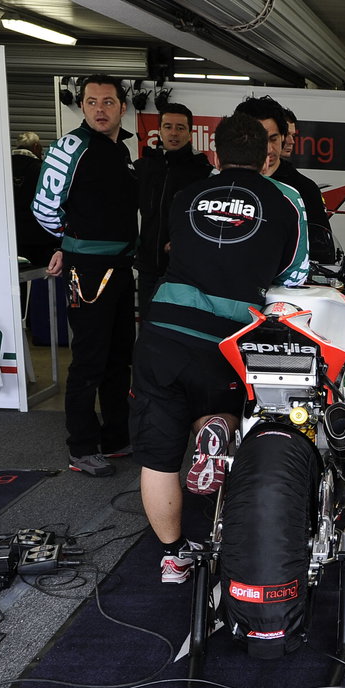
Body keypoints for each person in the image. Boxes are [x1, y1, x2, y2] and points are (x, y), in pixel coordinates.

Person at [131, 112, 310, 584]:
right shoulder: (287, 200)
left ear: (215, 151)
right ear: (266, 154)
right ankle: (217, 428)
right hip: (228, 337)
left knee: (158, 455)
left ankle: (173, 557)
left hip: (163, 328)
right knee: (225, 403)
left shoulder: (188, 193)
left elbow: (174, 248)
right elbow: (293, 277)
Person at [32, 74, 139, 477]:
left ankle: (115, 437)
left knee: (118, 357)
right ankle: (81, 446)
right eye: (91, 102)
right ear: (81, 107)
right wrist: (69, 244)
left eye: (108, 102)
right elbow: (44, 206)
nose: (100, 109)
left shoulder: (122, 148)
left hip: (121, 266)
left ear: (122, 107)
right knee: (90, 359)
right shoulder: (71, 146)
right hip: (88, 270)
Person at [233, 95, 340, 265]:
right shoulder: (224, 184)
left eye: (273, 138)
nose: (268, 148)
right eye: (258, 139)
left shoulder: (304, 189)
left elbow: (321, 254)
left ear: (283, 136)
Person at [135, 103, 212, 318]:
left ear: (190, 132)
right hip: (148, 266)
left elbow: (209, 221)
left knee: (179, 327)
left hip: (184, 269)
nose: (174, 133)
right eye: (168, 126)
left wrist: (185, 242)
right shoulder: (143, 167)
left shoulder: (203, 171)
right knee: (148, 326)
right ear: (159, 130)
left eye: (180, 127)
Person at [10, 132, 55, 265]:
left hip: (12, 233)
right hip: (38, 236)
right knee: (42, 273)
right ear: (36, 147)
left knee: (18, 273)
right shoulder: (41, 169)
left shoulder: (3, 166)